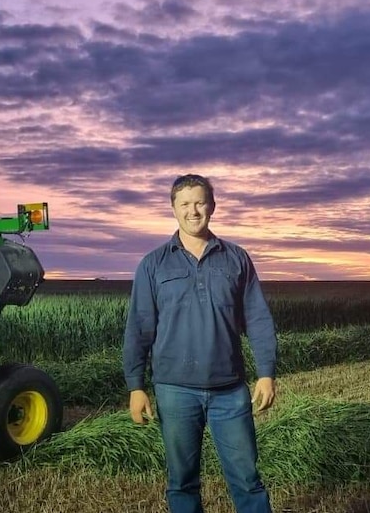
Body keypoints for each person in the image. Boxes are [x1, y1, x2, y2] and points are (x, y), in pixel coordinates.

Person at [122, 173, 278, 513]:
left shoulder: (236, 258)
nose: (193, 211)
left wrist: (266, 372)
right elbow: (139, 328)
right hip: (175, 391)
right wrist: (136, 386)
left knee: (248, 480)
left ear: (212, 206)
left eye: (200, 202)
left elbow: (258, 319)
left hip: (231, 391)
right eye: (185, 204)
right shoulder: (153, 264)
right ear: (173, 209)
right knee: (182, 483)